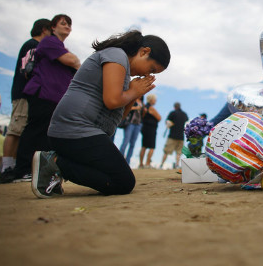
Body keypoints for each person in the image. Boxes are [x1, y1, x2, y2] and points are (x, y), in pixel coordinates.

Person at [32, 30, 170, 198]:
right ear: (144, 51)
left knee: (118, 179)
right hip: (73, 130)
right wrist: (133, 92)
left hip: (84, 133)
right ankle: (55, 163)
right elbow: (112, 101)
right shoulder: (116, 55)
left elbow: (117, 117)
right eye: (152, 68)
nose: (147, 75)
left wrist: (134, 94)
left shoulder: (124, 73)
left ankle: (57, 166)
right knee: (123, 182)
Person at [13, 14, 81, 182]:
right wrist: (74, 61)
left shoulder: (59, 46)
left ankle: (39, 171)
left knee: (47, 134)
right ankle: (22, 170)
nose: (67, 27)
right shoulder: (49, 42)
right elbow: (72, 60)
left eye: (69, 25)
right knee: (36, 130)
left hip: (56, 97)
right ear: (53, 27)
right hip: (43, 93)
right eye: (63, 23)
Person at [0, 18, 51, 184]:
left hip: (29, 95)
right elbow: (27, 70)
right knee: (16, 129)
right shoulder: (32, 45)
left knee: (23, 129)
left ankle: (14, 167)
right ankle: (7, 168)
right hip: (24, 95)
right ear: (44, 29)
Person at [160, 102, 188, 169]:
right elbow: (187, 121)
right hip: (181, 136)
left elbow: (167, 122)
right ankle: (177, 165)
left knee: (166, 151)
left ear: (174, 107)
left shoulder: (172, 113)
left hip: (172, 136)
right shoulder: (184, 114)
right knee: (178, 152)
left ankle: (161, 165)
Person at [119, 97, 143, 166]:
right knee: (125, 141)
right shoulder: (131, 99)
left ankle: (127, 163)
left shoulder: (142, 102)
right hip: (130, 123)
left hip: (138, 124)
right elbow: (125, 108)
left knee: (132, 144)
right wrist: (136, 108)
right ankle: (120, 160)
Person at [139, 93, 161, 168]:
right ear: (151, 100)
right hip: (151, 129)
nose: (156, 101)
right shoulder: (151, 108)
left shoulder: (144, 107)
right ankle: (147, 164)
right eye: (155, 99)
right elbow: (159, 118)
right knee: (152, 147)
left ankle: (141, 164)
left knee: (144, 146)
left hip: (144, 128)